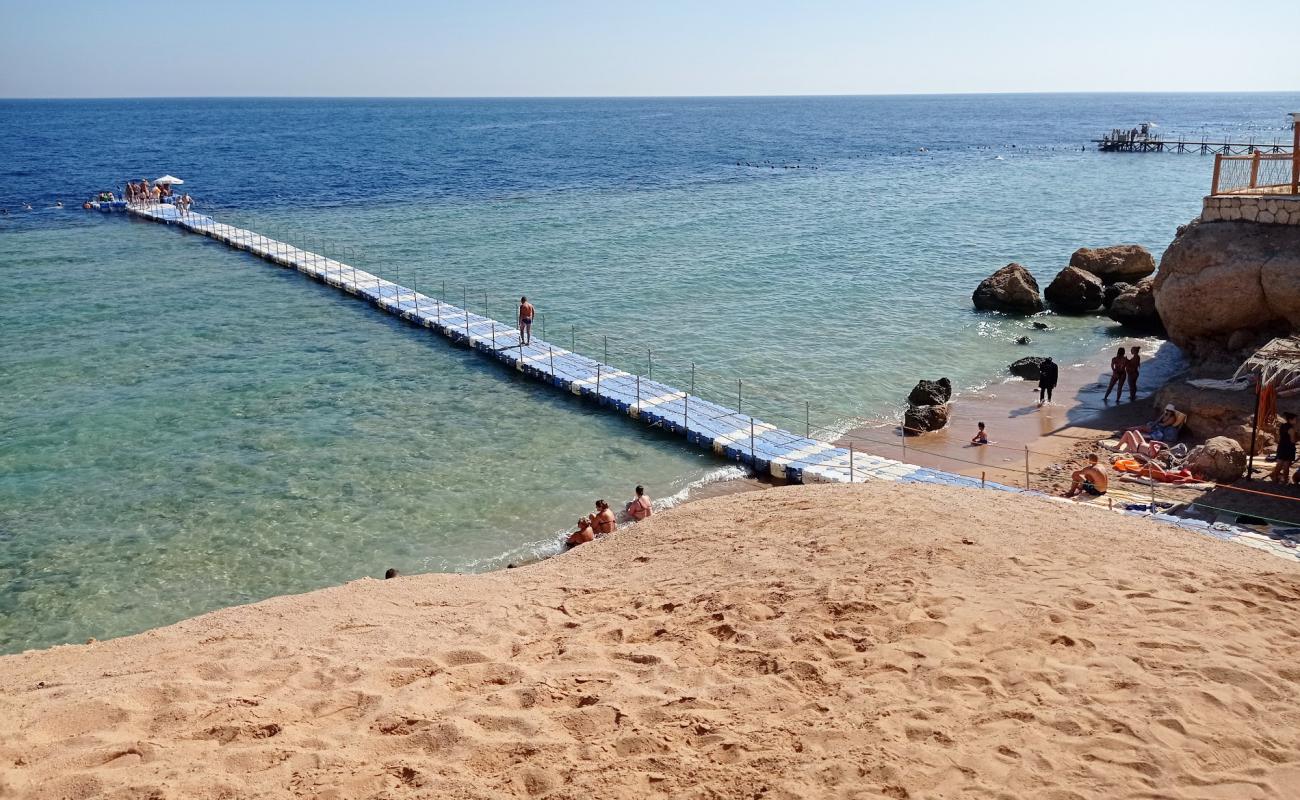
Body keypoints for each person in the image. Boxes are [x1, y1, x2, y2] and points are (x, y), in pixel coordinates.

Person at [1271, 412, 1297, 484]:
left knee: (1279, 464)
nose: (1296, 421)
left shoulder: (1282, 426)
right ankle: (1285, 480)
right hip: (1288, 448)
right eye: (1295, 419)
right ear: (1290, 420)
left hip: (1281, 446)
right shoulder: (1291, 429)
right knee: (1286, 465)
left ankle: (1275, 478)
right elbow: (1292, 440)